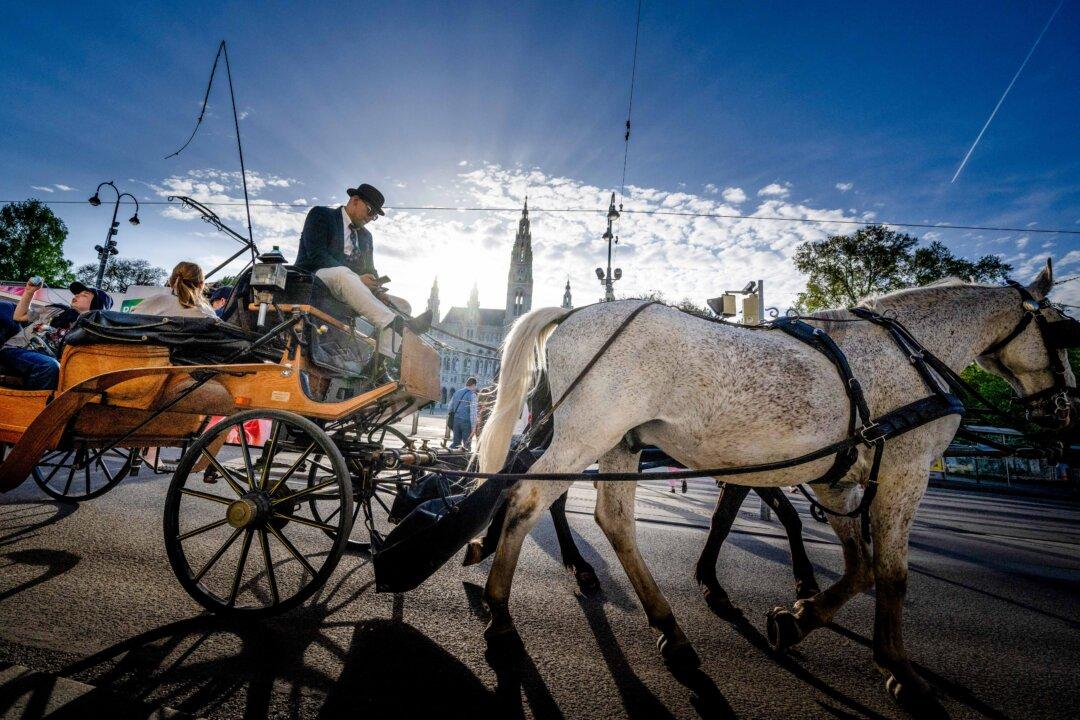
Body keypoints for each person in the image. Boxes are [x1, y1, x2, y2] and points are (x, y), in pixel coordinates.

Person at [294, 183, 431, 356]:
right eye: (370, 211)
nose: (371, 218)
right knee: (343, 274)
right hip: (318, 278)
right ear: (355, 200)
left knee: (403, 306)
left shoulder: (366, 237)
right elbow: (316, 255)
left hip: (351, 287)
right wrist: (358, 279)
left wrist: (377, 289)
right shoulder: (322, 215)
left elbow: (370, 269)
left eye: (375, 216)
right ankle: (394, 323)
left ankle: (381, 362)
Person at [0, 279, 112, 390]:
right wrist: (30, 292)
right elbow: (18, 316)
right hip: (16, 350)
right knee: (49, 366)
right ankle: (35, 405)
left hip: (47, 362)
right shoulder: (56, 310)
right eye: (77, 293)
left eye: (85, 295)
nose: (77, 295)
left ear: (96, 304)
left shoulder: (91, 333)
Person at [136, 262, 218, 319]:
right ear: (201, 285)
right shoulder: (210, 314)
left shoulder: (157, 301)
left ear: (171, 281)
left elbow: (127, 326)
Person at [448, 377, 479, 450]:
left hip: (456, 421)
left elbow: (450, 407)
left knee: (456, 443)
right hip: (466, 422)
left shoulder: (457, 392)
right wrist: (474, 427)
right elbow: (473, 413)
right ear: (474, 385)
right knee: (466, 445)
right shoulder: (472, 395)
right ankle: (465, 460)